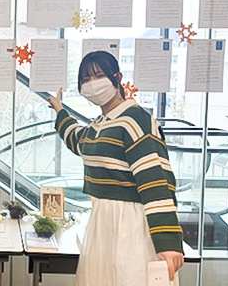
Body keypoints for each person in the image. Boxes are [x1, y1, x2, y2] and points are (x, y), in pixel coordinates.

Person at [46, 51, 184, 286]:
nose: (92, 84)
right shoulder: (100, 125)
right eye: (85, 79)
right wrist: (60, 111)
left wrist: (168, 241)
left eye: (98, 76)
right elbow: (78, 140)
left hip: (131, 224)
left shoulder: (135, 120)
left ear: (117, 77)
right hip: (103, 221)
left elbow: (155, 181)